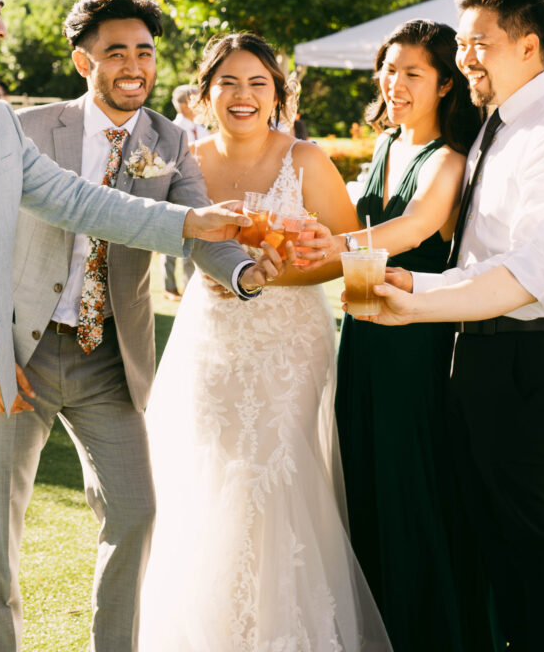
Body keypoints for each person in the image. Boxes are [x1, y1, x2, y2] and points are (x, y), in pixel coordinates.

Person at [0, 0, 274, 641]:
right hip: (16, 356)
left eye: (145, 51)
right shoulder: (25, 122)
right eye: (116, 51)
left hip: (47, 363)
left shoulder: (155, 140)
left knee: (123, 513)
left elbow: (126, 212)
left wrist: (219, 247)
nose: (134, 66)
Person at [345, 0, 544, 652]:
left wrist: (414, 295)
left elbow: (522, 271)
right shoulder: (497, 125)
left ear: (527, 47)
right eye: (462, 43)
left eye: (478, 43)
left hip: (523, 350)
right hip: (480, 346)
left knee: (524, 536)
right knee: (487, 533)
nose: (465, 57)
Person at [139, 32, 393, 651]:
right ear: (205, 94)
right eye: (228, 82)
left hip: (288, 342)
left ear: (278, 94)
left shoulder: (304, 160)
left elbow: (348, 251)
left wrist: (280, 269)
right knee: (211, 470)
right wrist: (224, 270)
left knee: (274, 471)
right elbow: (162, 235)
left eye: (258, 82)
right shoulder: (185, 160)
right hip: (212, 339)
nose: (243, 94)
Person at [302, 19, 485, 650]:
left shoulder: (452, 160)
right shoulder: (384, 148)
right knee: (362, 477)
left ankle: (420, 630)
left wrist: (328, 244)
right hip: (361, 338)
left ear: (444, 84)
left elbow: (411, 230)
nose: (395, 82)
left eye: (413, 72)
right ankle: (370, 623)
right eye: (389, 68)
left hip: (413, 345)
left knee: (407, 484)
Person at [163, 84, 208, 299]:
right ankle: (169, 287)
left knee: (194, 240)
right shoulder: (173, 130)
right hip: (175, 191)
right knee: (171, 241)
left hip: (200, 190)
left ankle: (190, 287)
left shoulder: (203, 128)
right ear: (184, 104)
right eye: (196, 99)